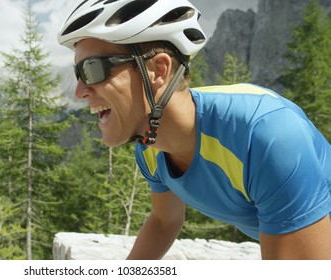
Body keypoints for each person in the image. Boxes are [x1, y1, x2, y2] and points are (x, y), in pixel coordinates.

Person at [57, 0, 331, 259]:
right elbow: (165, 221)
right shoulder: (150, 148)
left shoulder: (266, 137)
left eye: (92, 69)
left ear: (158, 70)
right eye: (78, 74)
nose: (80, 91)